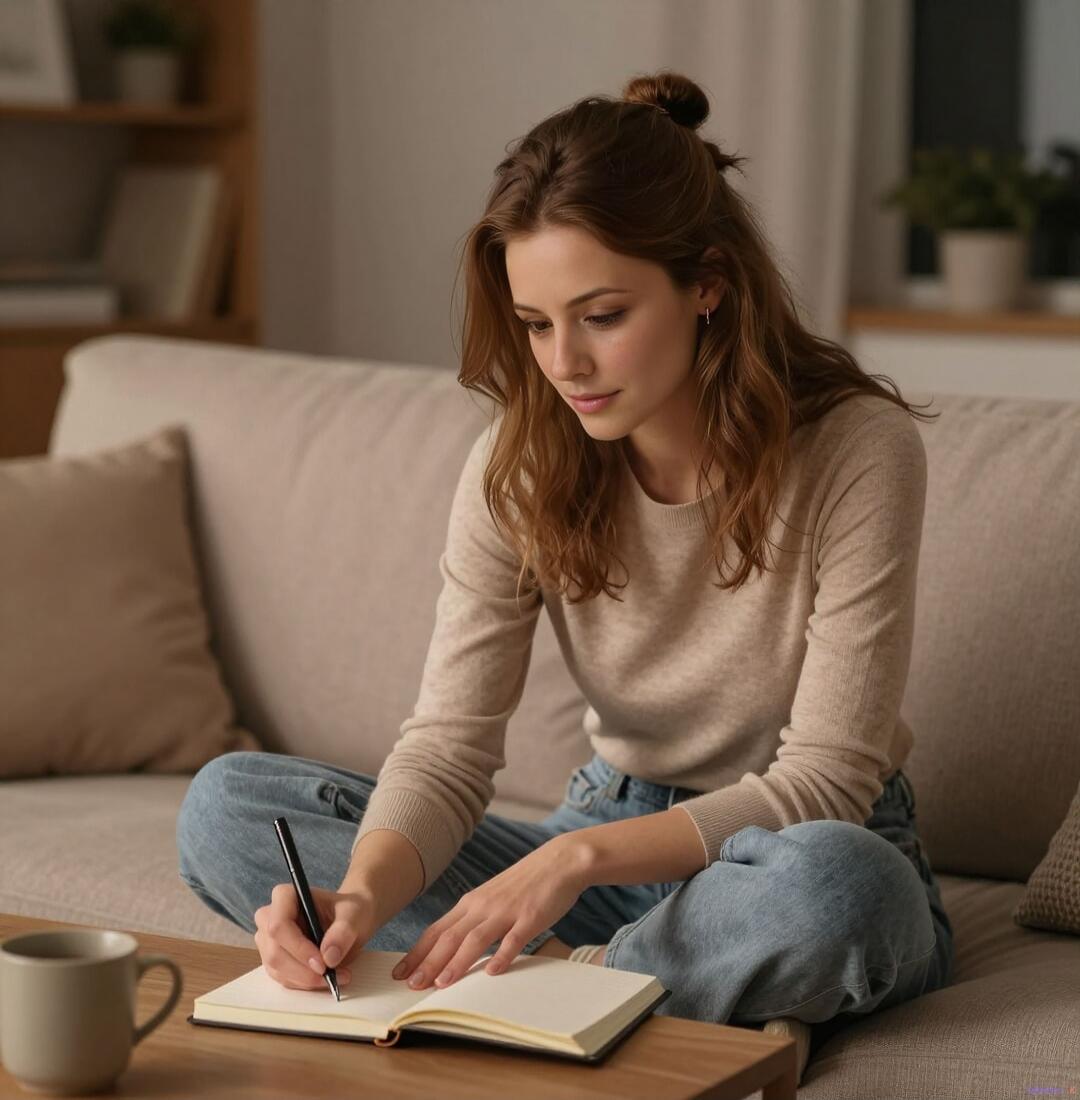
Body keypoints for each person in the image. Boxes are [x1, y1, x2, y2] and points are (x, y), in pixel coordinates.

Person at [176, 70, 954, 1078]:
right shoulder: (524, 459)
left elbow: (829, 778)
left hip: (790, 844)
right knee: (229, 804)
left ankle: (565, 985)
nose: (565, 364)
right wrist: (361, 894)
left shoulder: (859, 448)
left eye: (602, 314)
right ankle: (641, 988)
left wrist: (572, 858)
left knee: (849, 895)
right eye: (538, 324)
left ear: (708, 282)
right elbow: (450, 745)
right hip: (608, 822)